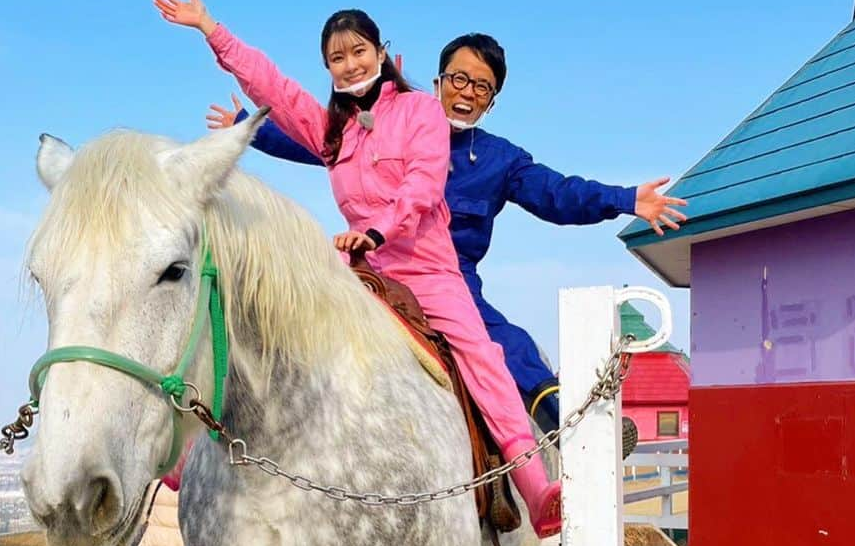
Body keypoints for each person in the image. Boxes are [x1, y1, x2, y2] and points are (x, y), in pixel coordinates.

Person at [152, 0, 562, 537]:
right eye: (337, 58)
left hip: (426, 267)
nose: (350, 65)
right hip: (360, 269)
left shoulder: (421, 109)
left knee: (482, 354)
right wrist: (210, 28)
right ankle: (189, 448)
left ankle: (533, 484)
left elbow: (420, 185)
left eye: (359, 52)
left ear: (381, 52)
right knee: (265, 328)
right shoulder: (331, 129)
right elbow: (271, 84)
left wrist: (375, 229)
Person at [206, 33, 685, 444]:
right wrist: (250, 128)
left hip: (452, 281)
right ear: (437, 82)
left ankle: (570, 432)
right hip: (372, 265)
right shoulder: (386, 125)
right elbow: (316, 140)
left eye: (482, 87)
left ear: (491, 101)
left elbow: (559, 194)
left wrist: (625, 199)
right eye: (458, 78)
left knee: (507, 344)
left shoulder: (503, 160)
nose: (467, 92)